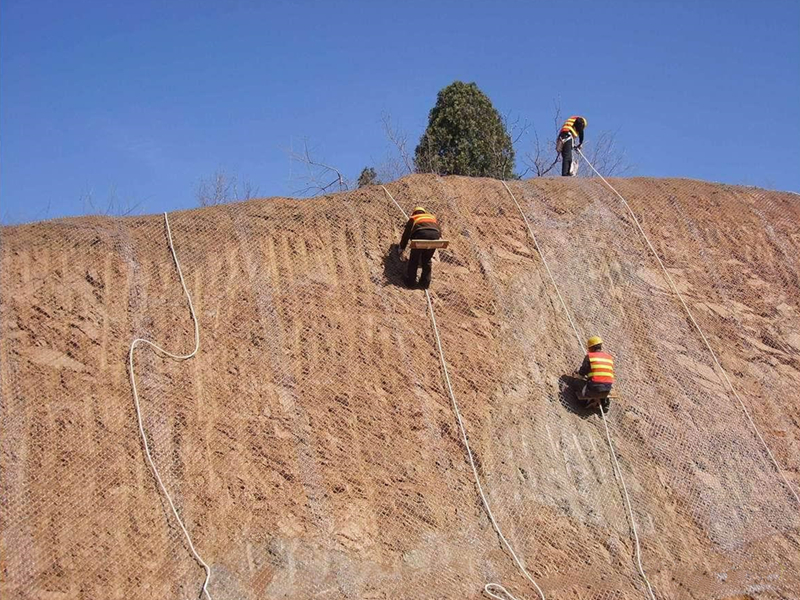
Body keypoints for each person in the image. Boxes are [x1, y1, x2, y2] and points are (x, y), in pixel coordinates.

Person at [399, 206, 441, 288]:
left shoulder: (413, 218)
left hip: (420, 235)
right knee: (427, 260)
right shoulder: (432, 217)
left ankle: (410, 282)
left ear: (414, 212)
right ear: (424, 212)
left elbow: (406, 235)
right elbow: (439, 230)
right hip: (434, 236)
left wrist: (402, 247)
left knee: (414, 259)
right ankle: (425, 283)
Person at [576, 335, 614, 411]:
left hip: (594, 388)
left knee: (576, 383)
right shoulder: (609, 357)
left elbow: (582, 372)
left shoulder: (590, 356)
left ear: (591, 347)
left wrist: (577, 376)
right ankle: (604, 403)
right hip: (608, 388)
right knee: (601, 385)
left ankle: (584, 402)